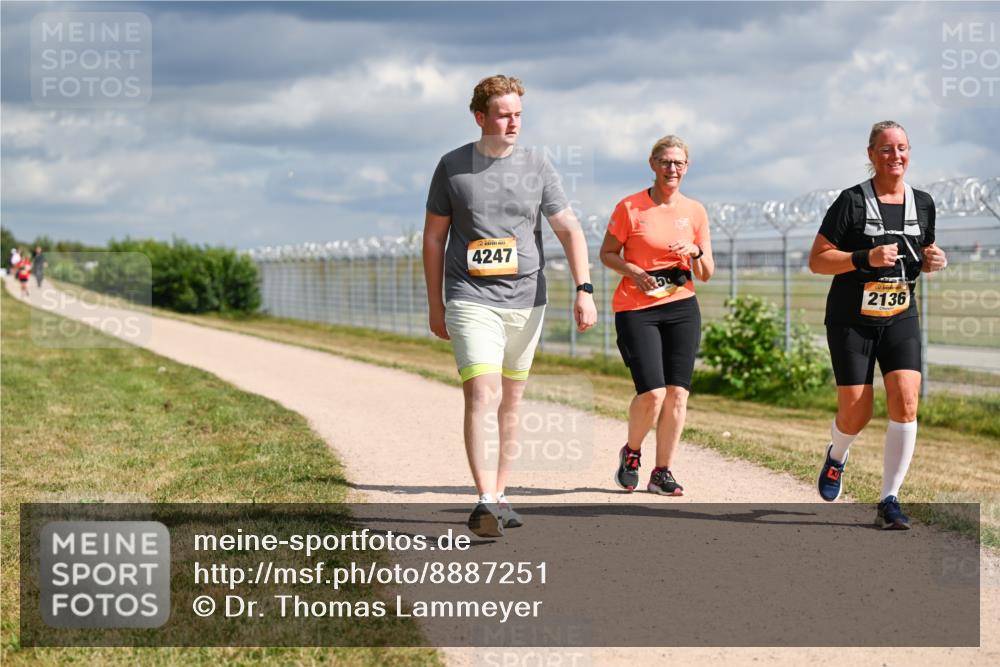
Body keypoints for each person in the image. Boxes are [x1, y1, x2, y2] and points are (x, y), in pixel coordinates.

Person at [423, 75, 597, 537]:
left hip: (527, 299)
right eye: (503, 114)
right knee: (483, 393)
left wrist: (584, 287)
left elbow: (569, 230)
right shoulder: (452, 166)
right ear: (480, 117)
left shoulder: (538, 165)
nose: (513, 121)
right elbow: (435, 236)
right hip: (469, 296)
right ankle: (482, 500)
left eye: (518, 113)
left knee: (512, 402)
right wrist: (435, 304)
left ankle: (501, 494)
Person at [808, 120, 947, 530]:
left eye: (902, 148)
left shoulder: (922, 203)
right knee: (857, 412)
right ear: (871, 155)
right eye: (886, 149)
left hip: (900, 314)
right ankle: (837, 456)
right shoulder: (851, 202)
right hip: (853, 319)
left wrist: (936, 260)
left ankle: (889, 499)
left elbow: (923, 254)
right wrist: (863, 258)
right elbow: (817, 260)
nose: (895, 156)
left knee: (906, 401)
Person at [600, 135, 714, 496]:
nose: (672, 168)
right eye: (665, 162)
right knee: (653, 393)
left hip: (681, 306)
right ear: (652, 164)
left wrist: (695, 250)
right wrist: (633, 271)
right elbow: (607, 253)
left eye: (679, 162)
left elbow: (707, 270)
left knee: (677, 393)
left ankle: (661, 471)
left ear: (687, 167)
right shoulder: (630, 207)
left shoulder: (695, 211)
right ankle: (632, 452)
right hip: (637, 308)